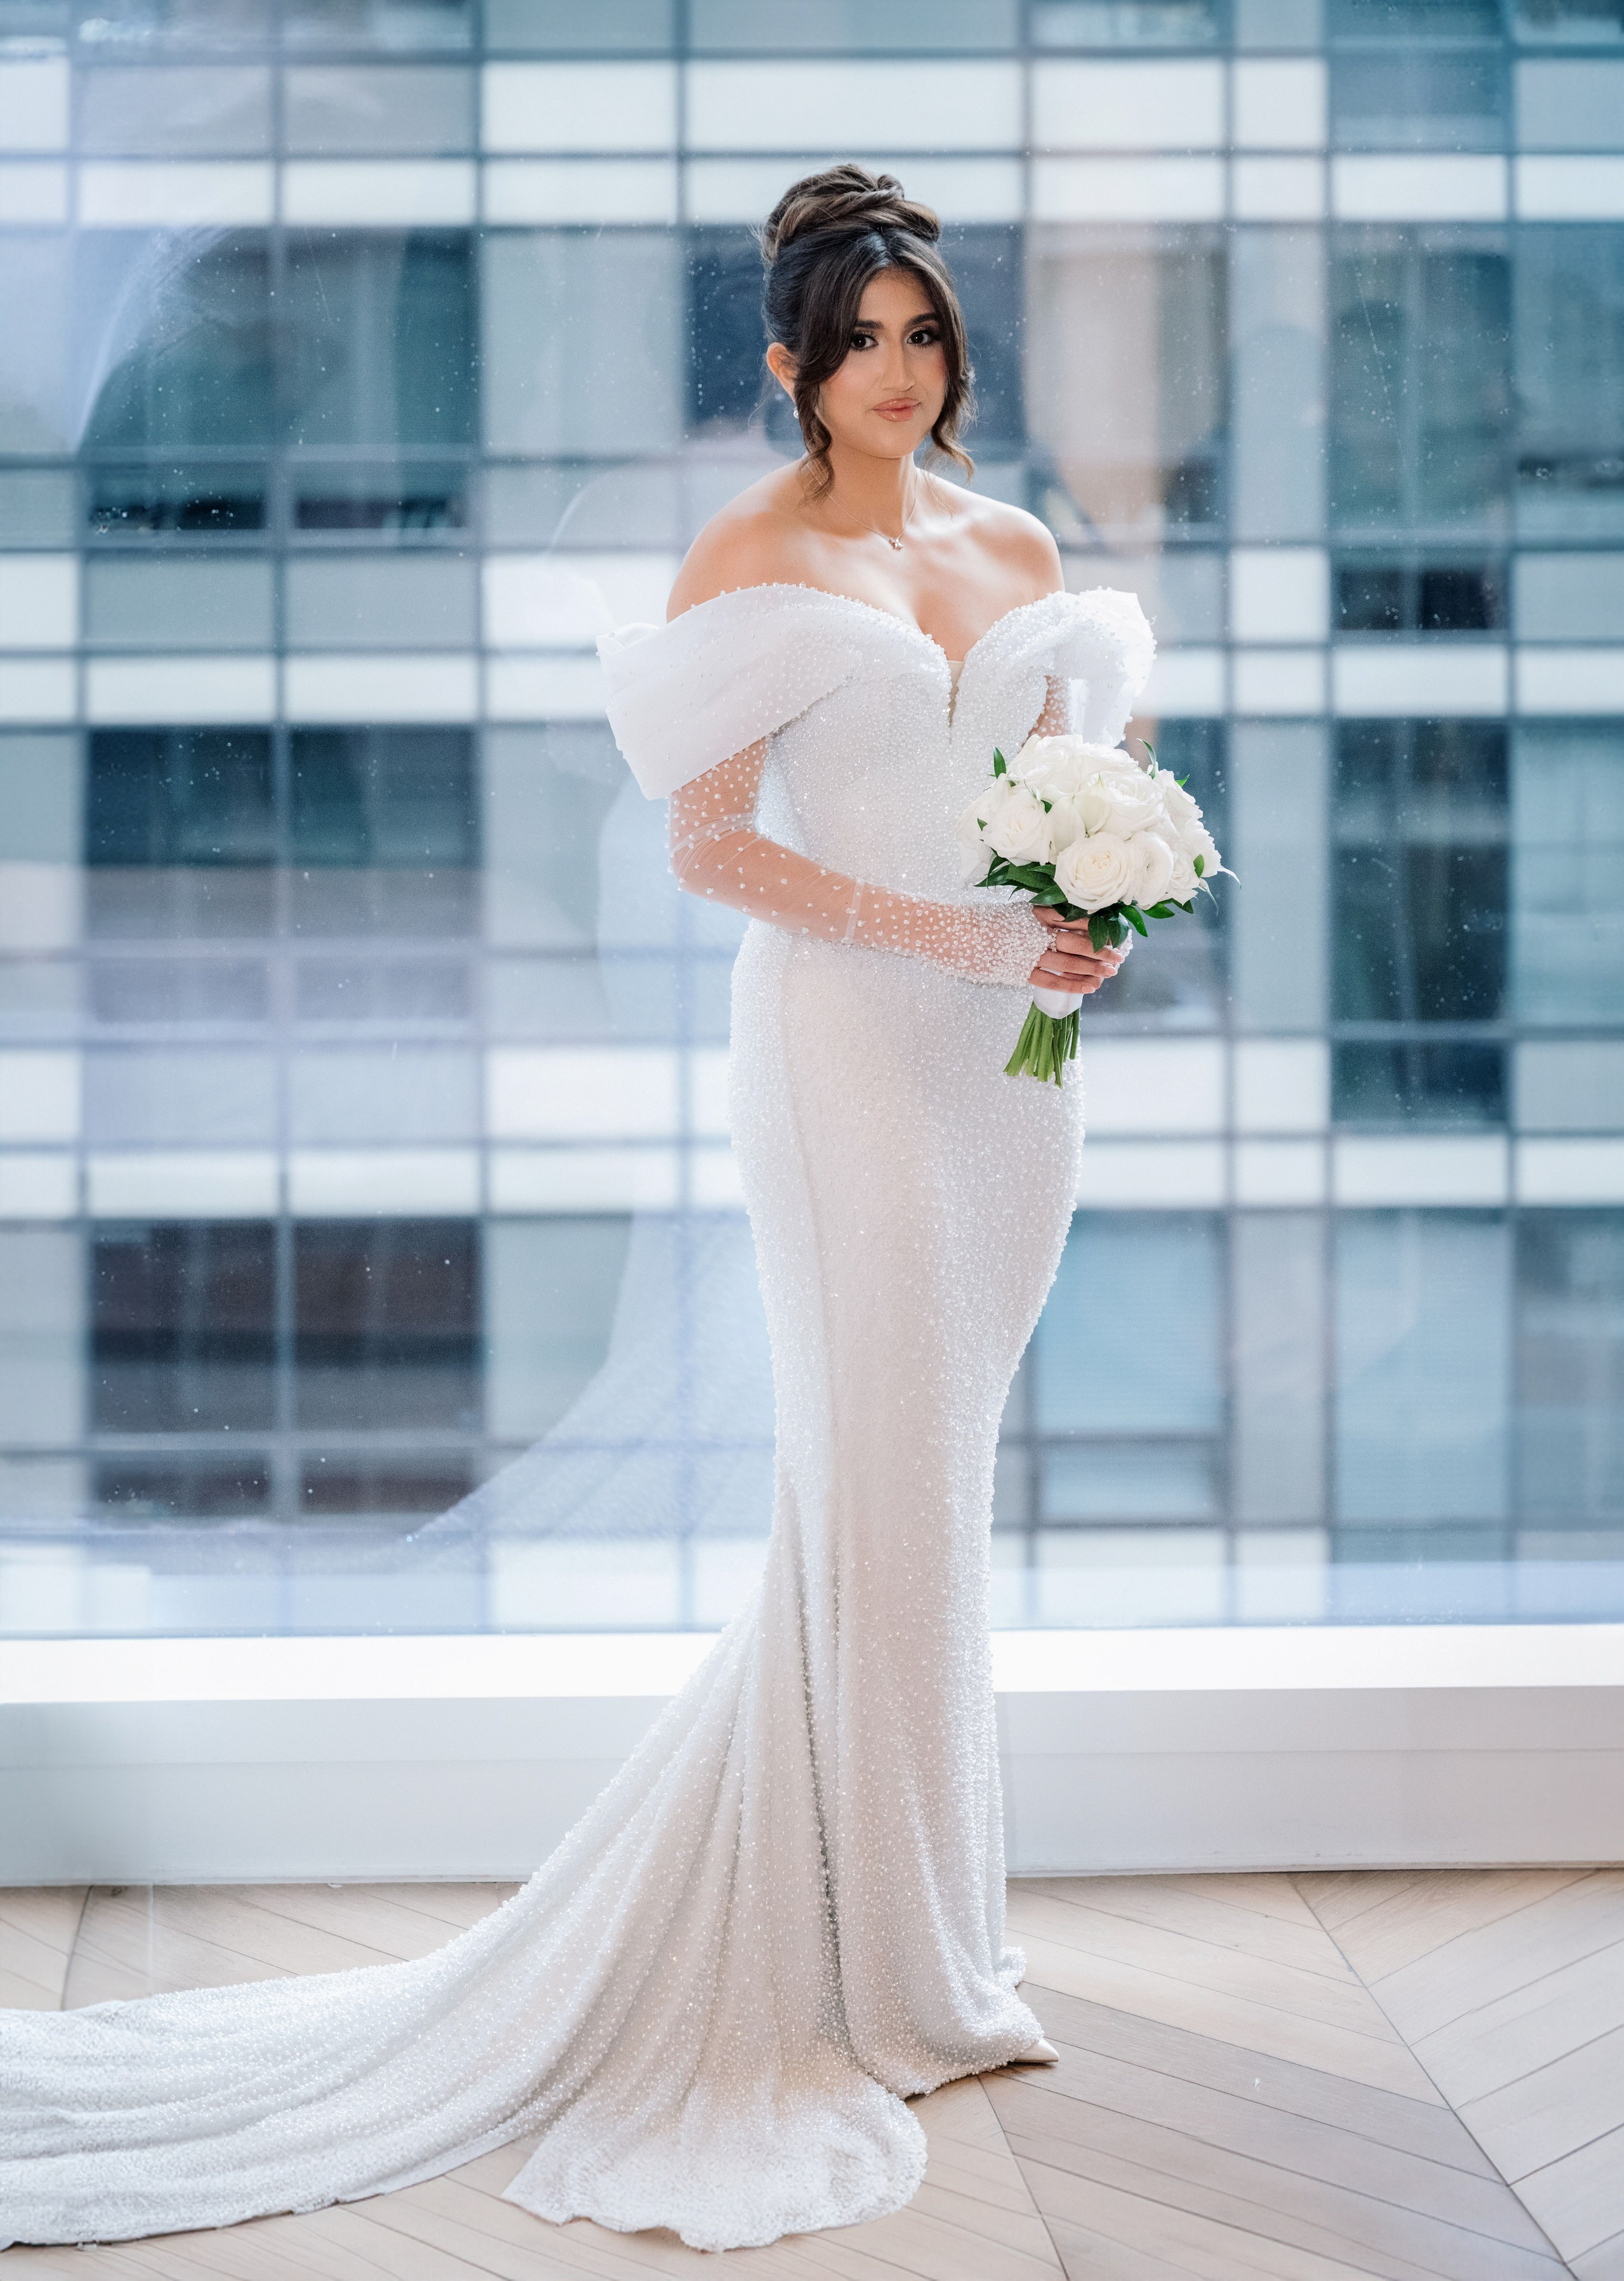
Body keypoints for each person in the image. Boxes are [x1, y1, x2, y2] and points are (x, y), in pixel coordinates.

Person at [0, 164, 1152, 2257]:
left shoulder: (1020, 543)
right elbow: (715, 847)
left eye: (928, 334)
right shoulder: (756, 550)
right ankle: (884, 1972)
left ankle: (920, 1943)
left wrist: (1084, 923)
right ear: (793, 363)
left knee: (928, 1498)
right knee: (872, 1478)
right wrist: (950, 940)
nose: (899, 371)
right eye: (860, 339)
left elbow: (1082, 805)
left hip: (1009, 1097)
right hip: (844, 1068)